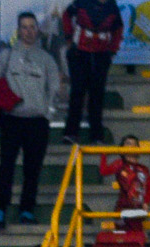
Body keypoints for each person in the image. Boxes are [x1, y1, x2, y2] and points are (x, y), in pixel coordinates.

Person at [0, 10, 59, 230]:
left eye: (32, 27)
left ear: (37, 30)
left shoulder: (47, 59)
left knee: (33, 169)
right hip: (11, 120)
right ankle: (0, 209)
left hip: (37, 121)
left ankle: (26, 210)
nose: (29, 31)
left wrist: (47, 113)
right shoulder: (6, 55)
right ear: (18, 30)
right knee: (6, 167)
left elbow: (54, 88)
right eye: (24, 27)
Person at [60, 0, 121, 146]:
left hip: (101, 56)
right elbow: (66, 15)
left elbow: (118, 29)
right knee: (77, 92)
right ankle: (71, 133)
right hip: (79, 53)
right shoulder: (81, 2)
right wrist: (69, 37)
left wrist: (112, 50)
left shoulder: (112, 6)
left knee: (97, 95)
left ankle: (96, 136)